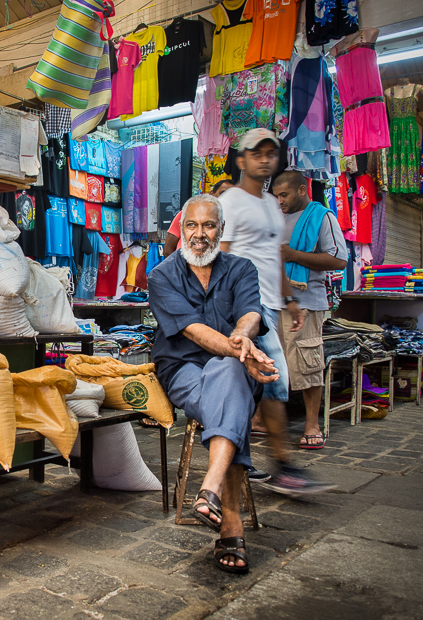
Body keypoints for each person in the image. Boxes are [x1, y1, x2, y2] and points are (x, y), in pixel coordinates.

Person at [149, 194, 279, 573]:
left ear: (221, 231)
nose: (199, 234)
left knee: (228, 375)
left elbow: (251, 312)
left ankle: (210, 491)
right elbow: (194, 331)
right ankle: (230, 518)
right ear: (181, 229)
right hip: (184, 370)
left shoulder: (241, 268)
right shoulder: (162, 276)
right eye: (191, 225)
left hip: (235, 369)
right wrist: (245, 353)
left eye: (208, 226)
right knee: (232, 380)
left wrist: (241, 338)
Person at [220, 128, 333, 495]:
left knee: (257, 388)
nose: (265, 159)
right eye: (257, 153)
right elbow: (220, 256)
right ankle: (283, 466)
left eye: (271, 153)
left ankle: (247, 463)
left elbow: (274, 257)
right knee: (273, 383)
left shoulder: (271, 203)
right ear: (242, 160)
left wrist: (291, 299)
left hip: (271, 303)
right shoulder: (231, 202)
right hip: (245, 305)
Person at [273, 171, 348, 449]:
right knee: (269, 362)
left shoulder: (322, 216)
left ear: (302, 190)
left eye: (285, 195)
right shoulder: (273, 218)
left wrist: (294, 255)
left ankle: (312, 424)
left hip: (306, 302)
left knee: (307, 362)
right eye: (277, 195)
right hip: (272, 302)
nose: (279, 201)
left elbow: (339, 259)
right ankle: (261, 419)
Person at [163, 179, 236, 255]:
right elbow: (168, 250)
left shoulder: (234, 220)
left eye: (209, 225)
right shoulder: (188, 212)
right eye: (223, 193)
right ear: (212, 194)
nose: (199, 234)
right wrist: (178, 265)